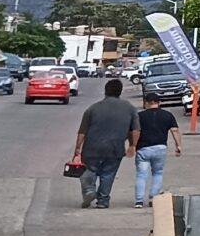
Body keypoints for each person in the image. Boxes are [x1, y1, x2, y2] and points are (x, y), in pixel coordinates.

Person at [72, 78, 139, 208]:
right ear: (120, 91)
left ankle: (89, 191)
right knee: (108, 174)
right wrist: (132, 145)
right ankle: (103, 200)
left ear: (105, 91)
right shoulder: (130, 108)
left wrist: (78, 148)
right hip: (115, 148)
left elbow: (82, 131)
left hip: (92, 147)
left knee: (89, 170)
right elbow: (135, 130)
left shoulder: (93, 108)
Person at [133, 92, 184, 205]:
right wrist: (178, 145)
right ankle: (153, 197)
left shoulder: (139, 116)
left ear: (146, 103)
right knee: (158, 173)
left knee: (141, 175)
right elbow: (174, 130)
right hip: (160, 147)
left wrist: (133, 145)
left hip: (143, 149)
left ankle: (139, 200)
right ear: (159, 102)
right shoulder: (167, 115)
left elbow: (135, 131)